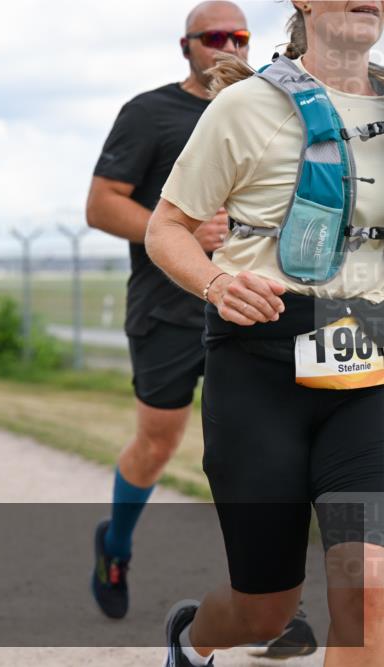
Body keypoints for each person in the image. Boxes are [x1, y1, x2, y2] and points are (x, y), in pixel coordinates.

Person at [145, 2, 384, 665]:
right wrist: (217, 283)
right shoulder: (243, 107)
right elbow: (165, 228)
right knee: (266, 607)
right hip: (257, 363)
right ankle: (193, 644)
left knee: (367, 588)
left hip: (368, 375)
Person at [86, 0, 243, 617]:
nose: (228, 47)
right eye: (213, 37)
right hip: (167, 310)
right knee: (158, 444)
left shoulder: (263, 110)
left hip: (245, 308)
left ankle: (266, 595)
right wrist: (181, 232)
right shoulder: (149, 113)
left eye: (240, 36)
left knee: (251, 452)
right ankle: (116, 543)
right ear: (187, 47)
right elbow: (100, 206)